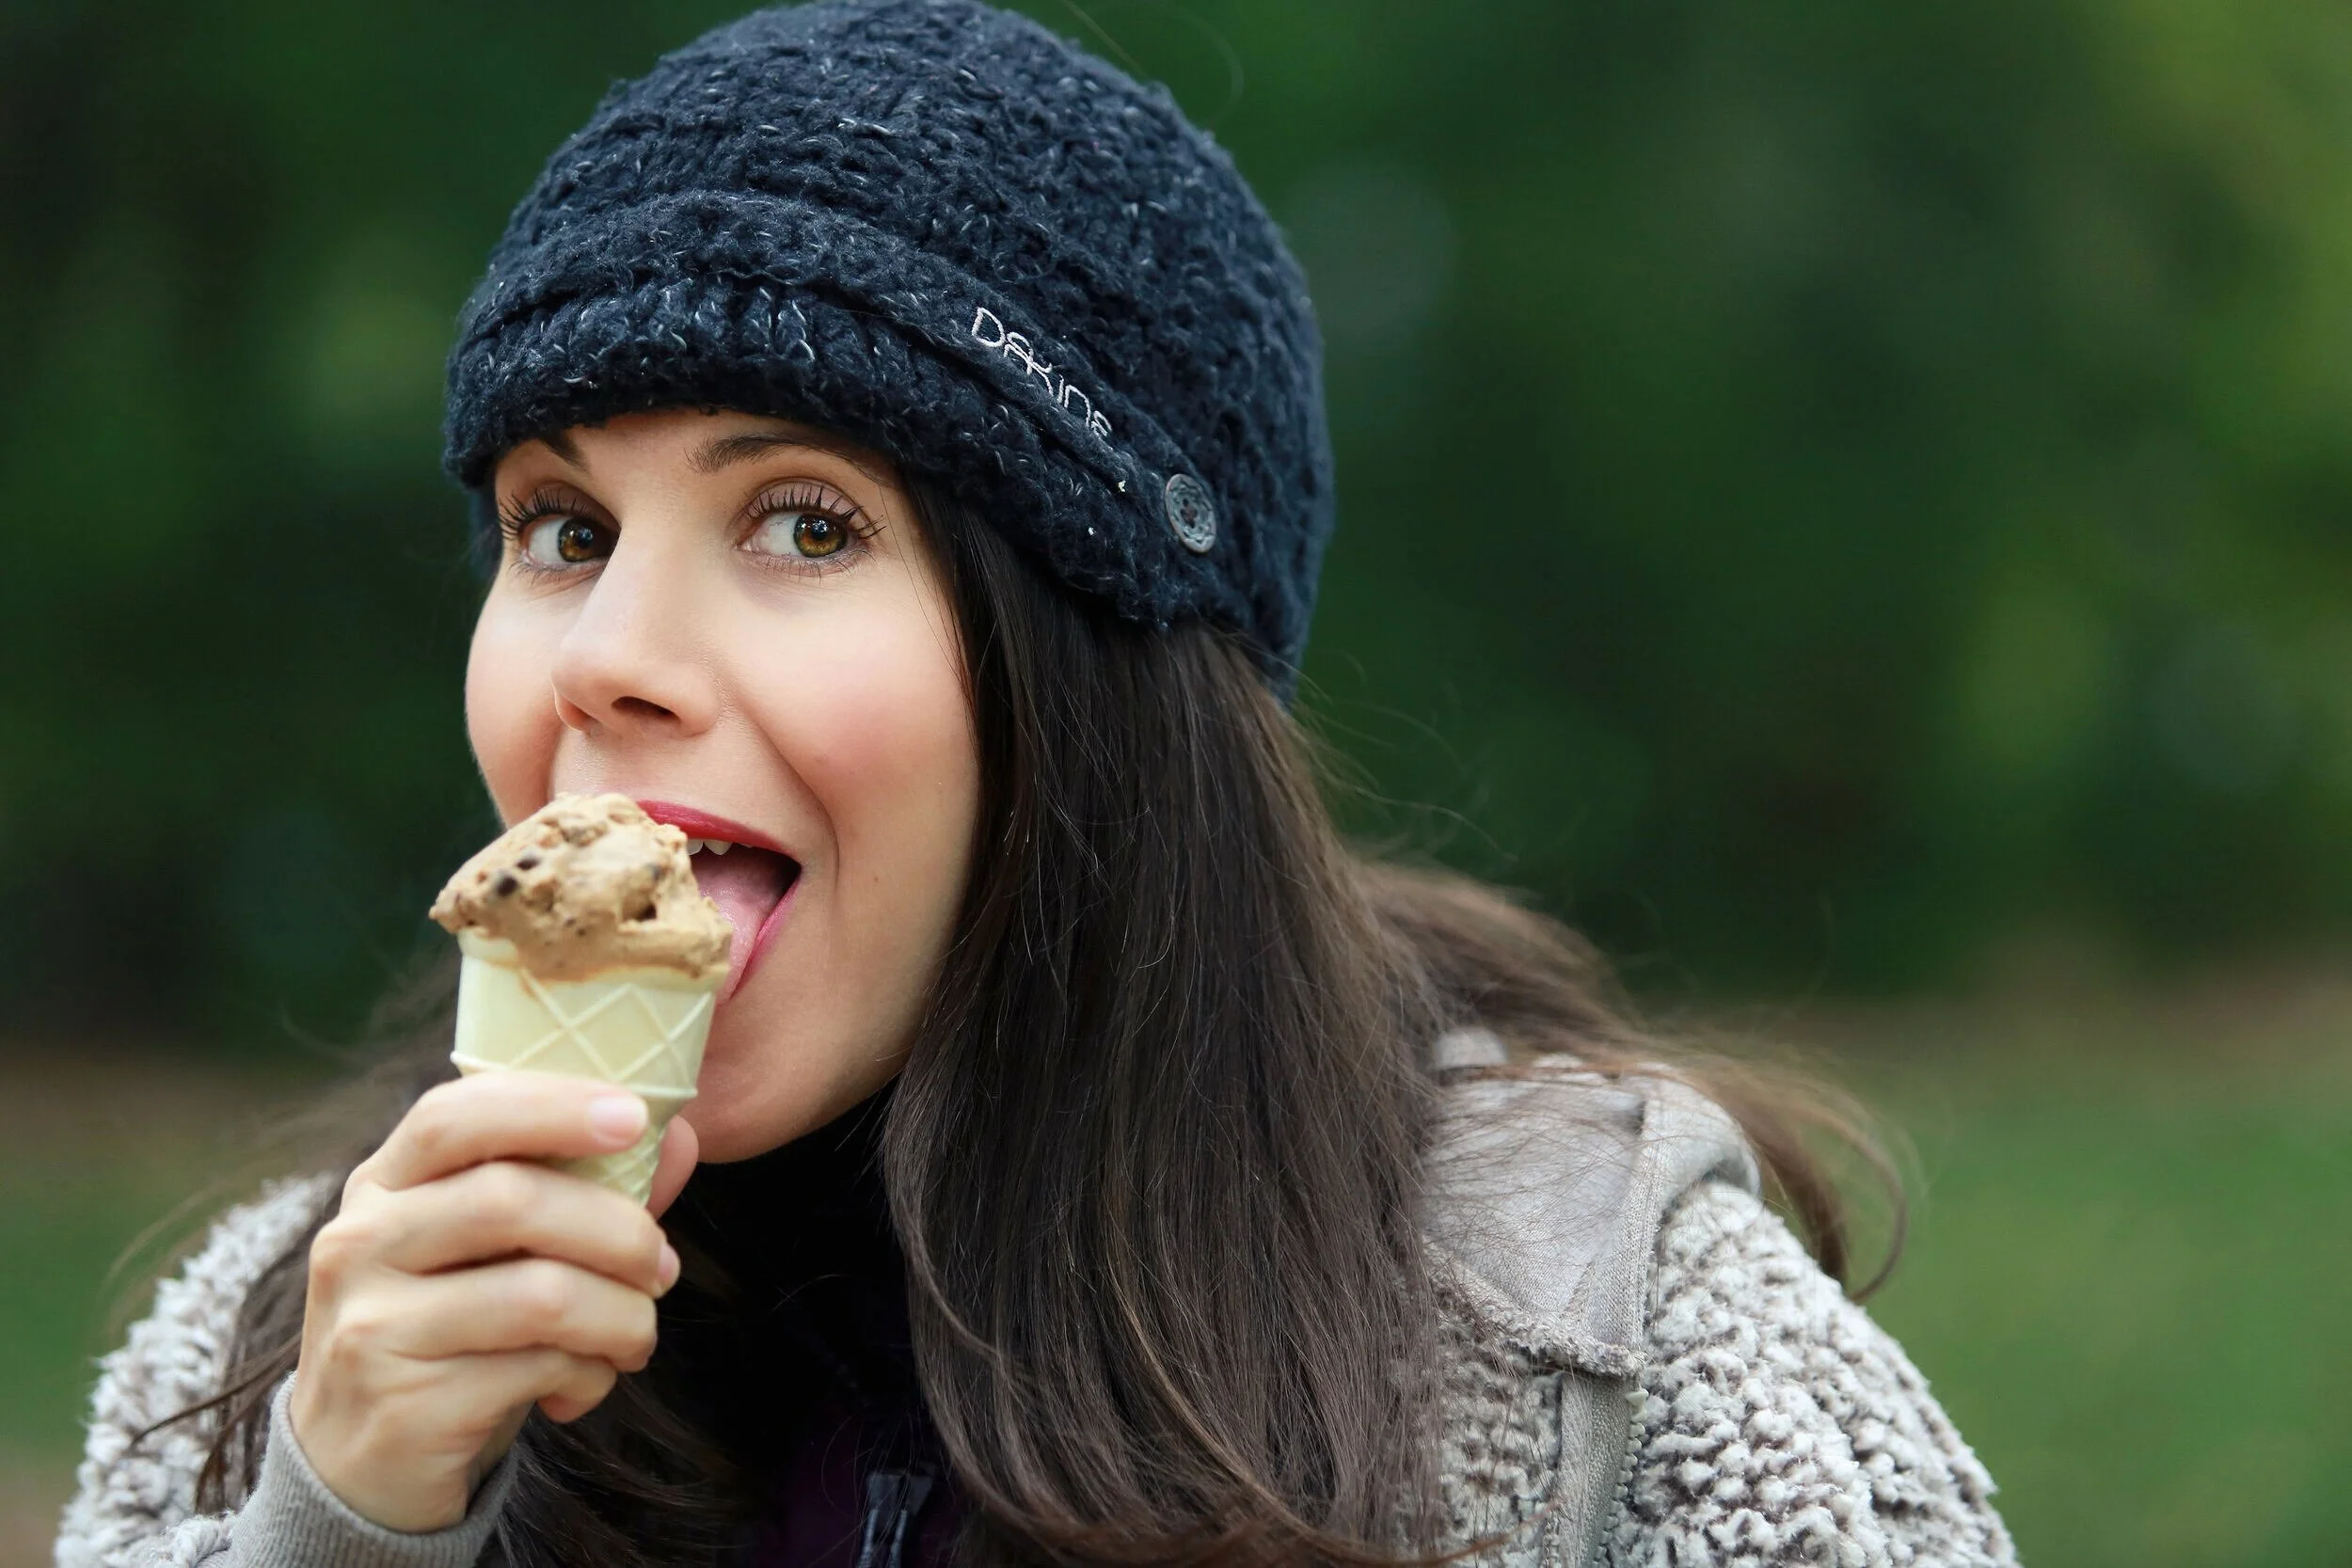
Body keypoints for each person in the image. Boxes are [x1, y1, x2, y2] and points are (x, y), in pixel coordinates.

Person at [55, 3, 2018, 1565]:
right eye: (557, 524)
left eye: (805, 521)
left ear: (1094, 674)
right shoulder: (304, 1343)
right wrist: (344, 1528)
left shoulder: (1617, 1353)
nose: (604, 654)